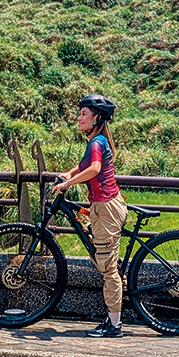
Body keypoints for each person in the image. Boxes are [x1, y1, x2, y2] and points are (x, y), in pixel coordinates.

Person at [51, 93, 128, 338]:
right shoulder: (97, 141)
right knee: (105, 261)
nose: (79, 117)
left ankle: (115, 326)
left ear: (97, 118)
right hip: (102, 207)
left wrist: (68, 183)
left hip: (106, 209)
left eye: (84, 114)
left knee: (107, 268)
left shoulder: (97, 143)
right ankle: (113, 310)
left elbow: (94, 169)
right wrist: (69, 173)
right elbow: (86, 166)